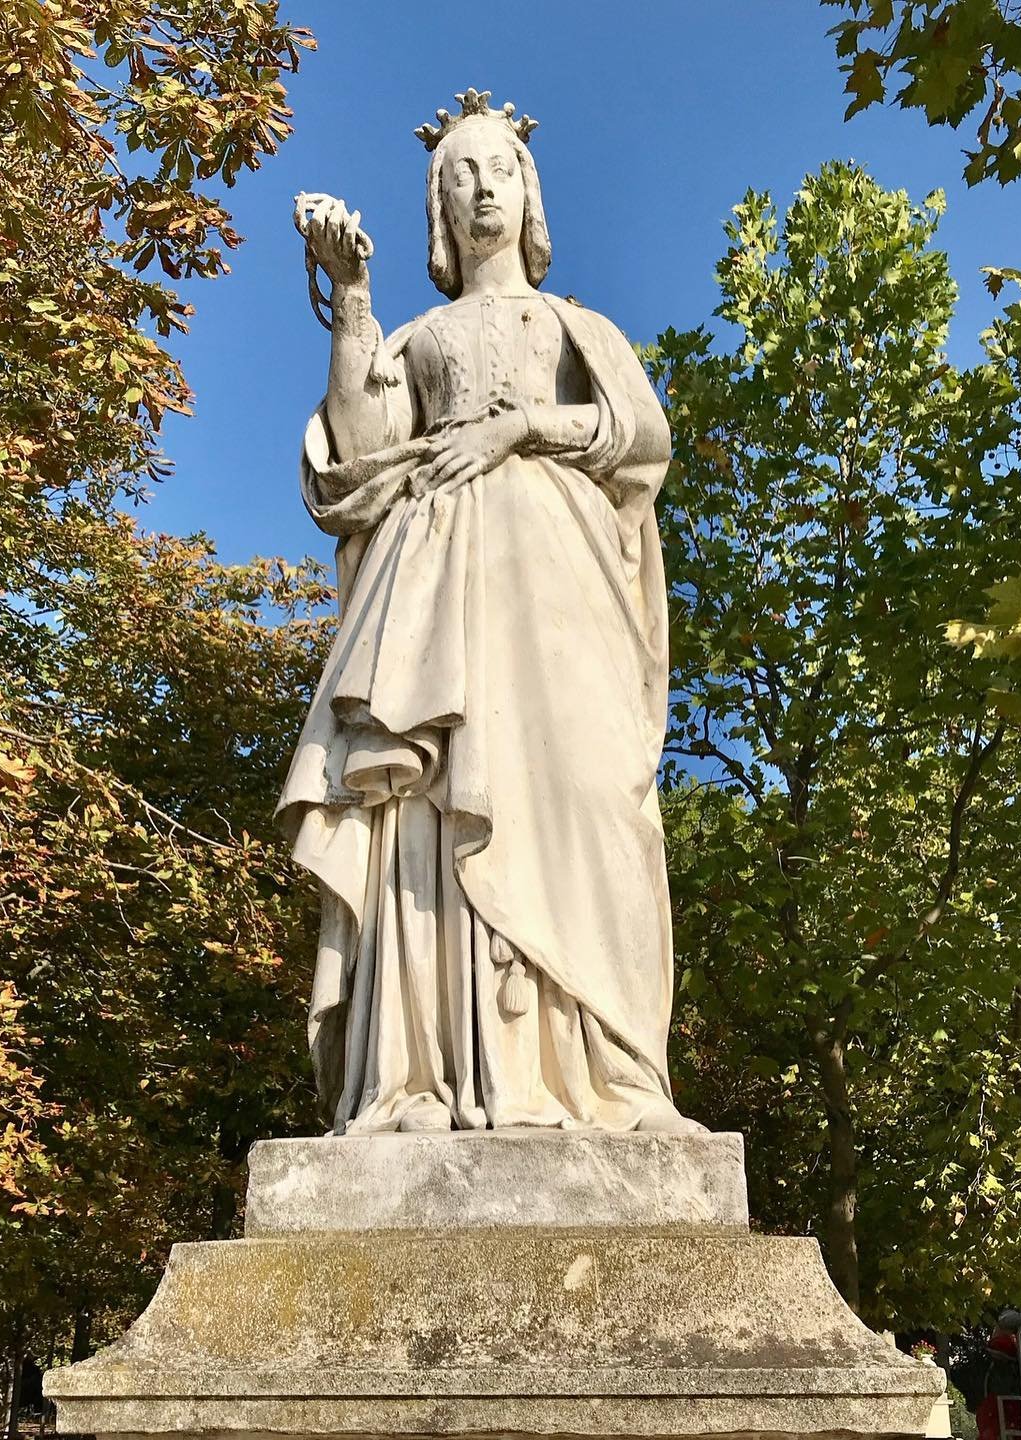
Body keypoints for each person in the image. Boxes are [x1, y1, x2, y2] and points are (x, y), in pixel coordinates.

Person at [278, 89, 702, 1137]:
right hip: (433, 592)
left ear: (529, 192)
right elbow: (358, 461)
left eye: (499, 169)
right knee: (427, 803)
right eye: (459, 173)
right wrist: (355, 303)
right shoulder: (413, 334)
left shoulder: (579, 327)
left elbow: (639, 436)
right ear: (437, 203)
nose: (481, 188)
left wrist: (517, 427)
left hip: (563, 586)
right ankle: (423, 1074)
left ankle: (610, 1073)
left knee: (588, 802)